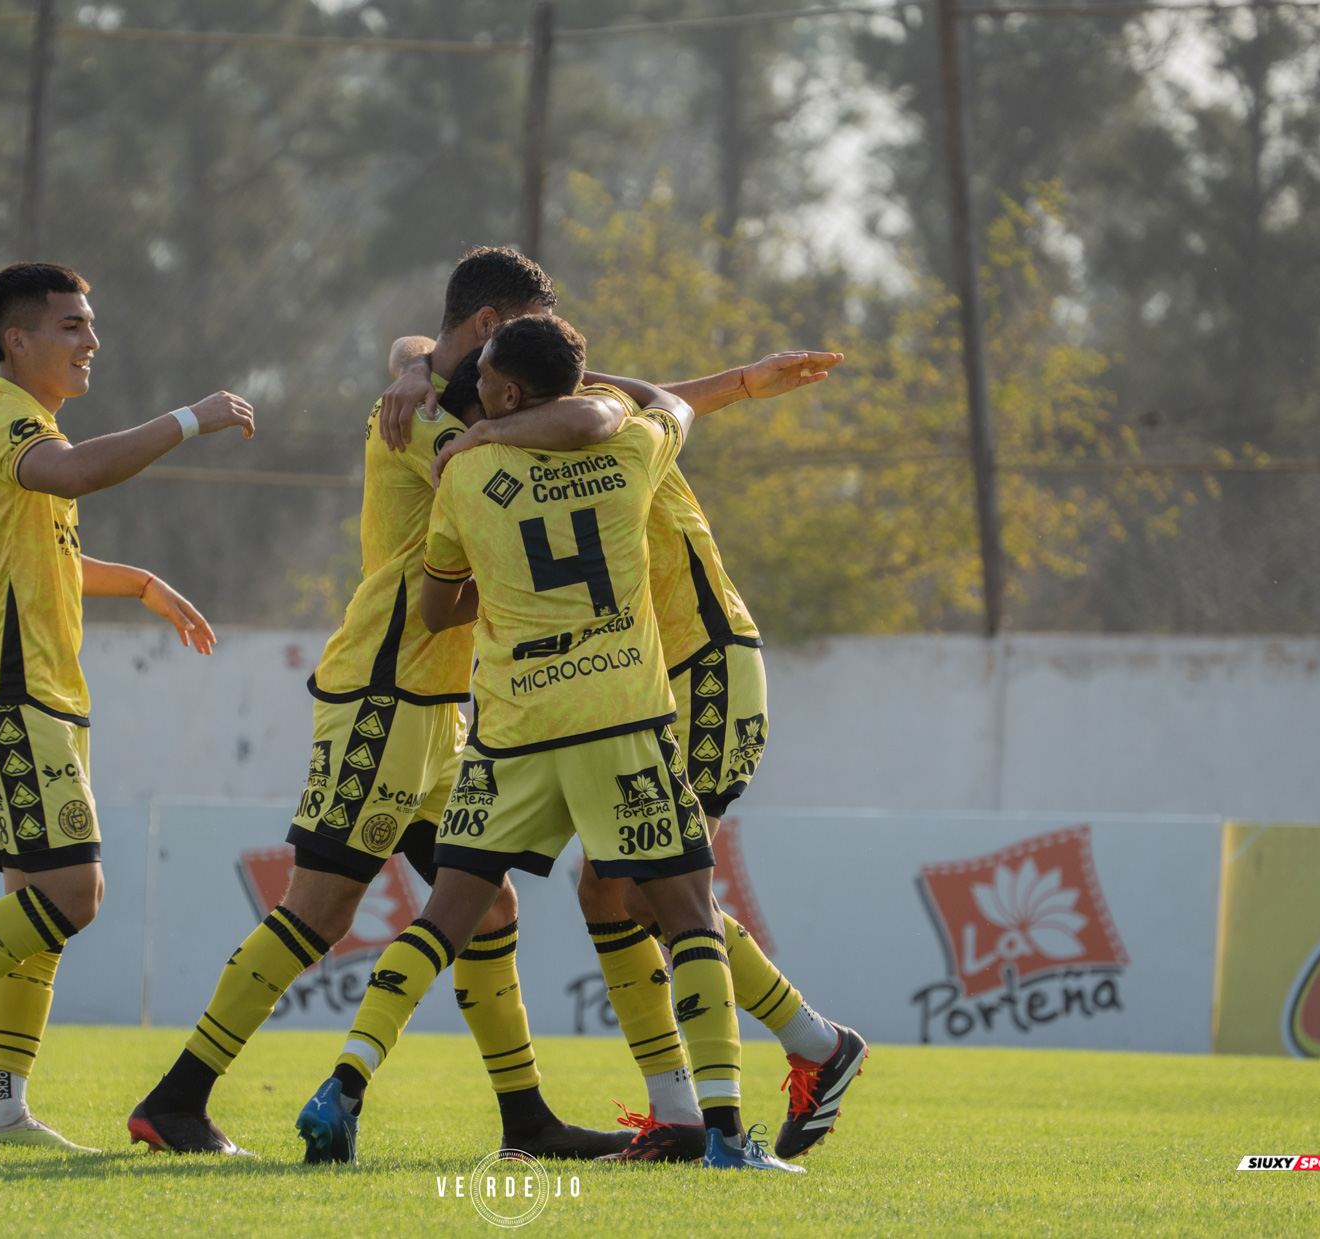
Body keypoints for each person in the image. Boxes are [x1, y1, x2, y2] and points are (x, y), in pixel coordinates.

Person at [128, 248, 633, 1162]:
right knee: (321, 908)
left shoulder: (434, 386)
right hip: (385, 691)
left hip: (439, 702)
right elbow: (570, 428)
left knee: (489, 909)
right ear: (486, 333)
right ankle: (177, 1098)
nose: (514, 363)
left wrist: (412, 361)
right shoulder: (439, 425)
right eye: (510, 336)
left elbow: (433, 352)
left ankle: (526, 1120)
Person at [295, 314, 797, 1171]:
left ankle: (342, 1084)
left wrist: (499, 523)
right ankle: (722, 1135)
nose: (473, 386)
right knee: (684, 915)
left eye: (485, 376)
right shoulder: (634, 449)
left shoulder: (464, 470)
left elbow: (440, 607)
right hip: (621, 721)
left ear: (506, 392)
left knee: (445, 915)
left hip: (514, 728)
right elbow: (664, 402)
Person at [397, 341, 866, 1162]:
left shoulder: (595, 422)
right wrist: (409, 371)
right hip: (627, 683)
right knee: (608, 895)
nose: (470, 392)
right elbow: (419, 352)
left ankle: (809, 1049)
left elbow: (617, 404)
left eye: (482, 384)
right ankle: (684, 1116)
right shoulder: (551, 415)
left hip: (701, 663)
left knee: (658, 894)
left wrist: (743, 385)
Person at [0, 262, 256, 1150]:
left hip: (38, 695)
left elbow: (46, 550)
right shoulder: (5, 419)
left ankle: (0, 1107)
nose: (91, 340)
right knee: (75, 892)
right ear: (15, 340)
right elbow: (69, 478)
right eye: (71, 325)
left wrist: (139, 582)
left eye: (91, 324)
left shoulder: (21, 429)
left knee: (36, 898)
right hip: (9, 694)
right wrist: (190, 417)